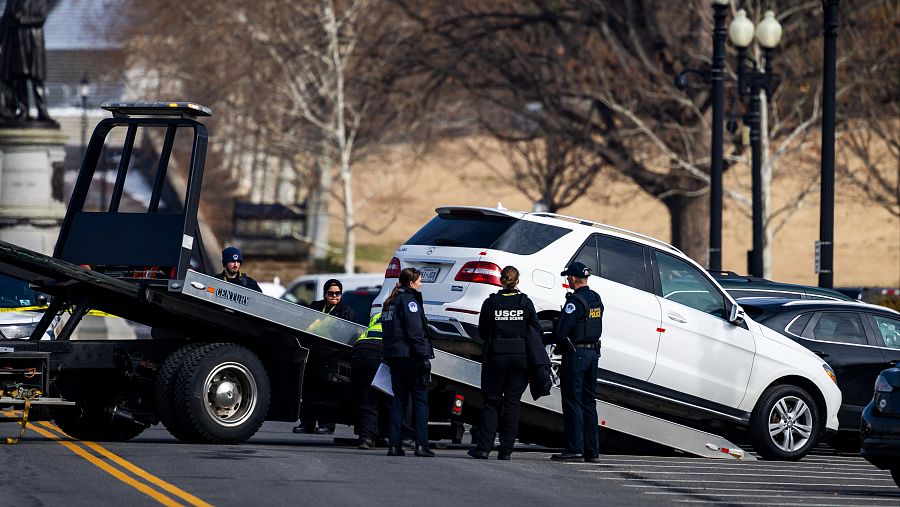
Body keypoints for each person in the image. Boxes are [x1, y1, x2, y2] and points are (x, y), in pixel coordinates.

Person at [468, 266, 540, 460]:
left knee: (491, 402)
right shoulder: (525, 302)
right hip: (520, 357)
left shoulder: (491, 302)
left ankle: (484, 448)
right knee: (512, 403)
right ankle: (506, 450)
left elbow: (482, 332)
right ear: (517, 281)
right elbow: (535, 329)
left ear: (501, 280)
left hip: (496, 356)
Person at [550, 261, 604, 463]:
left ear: (572, 278)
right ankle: (592, 451)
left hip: (577, 354)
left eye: (568, 278)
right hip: (593, 355)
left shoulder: (575, 302)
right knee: (589, 403)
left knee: (572, 400)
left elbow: (561, 332)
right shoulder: (595, 299)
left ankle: (574, 448)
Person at [382, 267, 435, 457]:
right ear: (411, 282)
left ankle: (394, 445)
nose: (421, 284)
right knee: (421, 402)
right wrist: (423, 356)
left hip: (395, 358)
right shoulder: (409, 301)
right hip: (411, 357)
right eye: (419, 280)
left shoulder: (390, 302)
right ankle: (422, 445)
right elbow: (415, 332)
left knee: (399, 401)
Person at [294, 279, 357, 435]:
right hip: (313, 352)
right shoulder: (316, 306)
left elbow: (348, 336)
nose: (334, 296)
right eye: (331, 293)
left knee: (328, 391)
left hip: (332, 355)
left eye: (337, 293)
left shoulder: (346, 311)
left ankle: (327, 423)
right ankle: (307, 422)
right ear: (325, 293)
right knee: (308, 390)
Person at [0, 0, 51, 122]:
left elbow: (41, 18)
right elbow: (6, 19)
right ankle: (24, 110)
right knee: (20, 78)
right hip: (18, 43)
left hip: (34, 42)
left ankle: (42, 111)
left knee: (37, 79)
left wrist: (21, 20)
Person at [350, 310, 387, 449]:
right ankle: (381, 435)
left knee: (366, 398)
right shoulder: (405, 312)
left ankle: (367, 438)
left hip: (360, 349)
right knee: (386, 398)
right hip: (379, 351)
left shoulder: (378, 314)